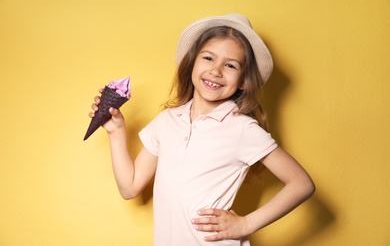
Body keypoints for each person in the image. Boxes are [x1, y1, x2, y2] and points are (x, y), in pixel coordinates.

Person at [89, 13, 315, 245]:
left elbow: (302, 184)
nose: (216, 70)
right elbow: (130, 187)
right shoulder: (167, 121)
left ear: (244, 80)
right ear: (192, 63)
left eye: (230, 65)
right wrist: (116, 132)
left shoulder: (242, 128)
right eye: (208, 58)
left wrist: (246, 224)